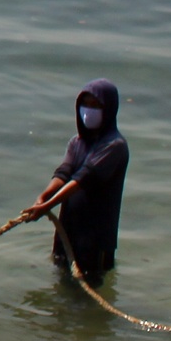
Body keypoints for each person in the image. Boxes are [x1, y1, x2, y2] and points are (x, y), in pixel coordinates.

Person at [21, 79, 130, 286]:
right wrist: (43, 197)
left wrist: (47, 206)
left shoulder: (115, 146)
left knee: (88, 292)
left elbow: (82, 179)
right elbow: (64, 173)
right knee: (61, 283)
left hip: (96, 238)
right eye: (85, 104)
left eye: (96, 106)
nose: (89, 111)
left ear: (109, 109)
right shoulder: (77, 142)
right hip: (68, 230)